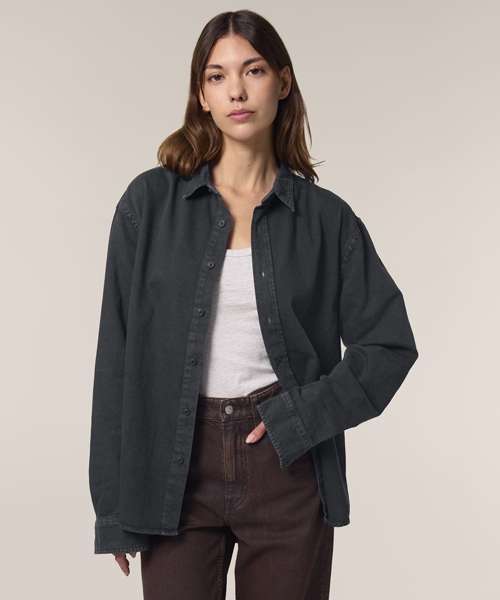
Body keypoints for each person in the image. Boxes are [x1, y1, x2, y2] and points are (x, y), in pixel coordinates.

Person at [88, 9, 418, 600]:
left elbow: (389, 344)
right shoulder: (148, 205)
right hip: (173, 468)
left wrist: (303, 416)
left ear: (283, 82)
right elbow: (118, 356)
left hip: (286, 467)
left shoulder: (326, 221)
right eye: (217, 76)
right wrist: (112, 507)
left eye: (254, 70)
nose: (236, 91)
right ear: (201, 95)